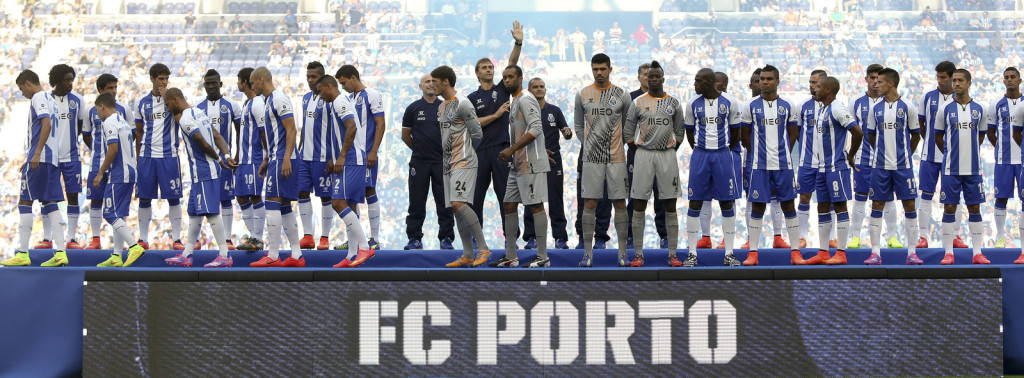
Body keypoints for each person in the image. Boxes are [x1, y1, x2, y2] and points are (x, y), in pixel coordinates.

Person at [162, 88, 238, 267]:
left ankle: (224, 254)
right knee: (194, 213)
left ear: (175, 99)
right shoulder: (198, 112)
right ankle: (187, 254)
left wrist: (220, 159)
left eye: (167, 104)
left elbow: (203, 143)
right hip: (199, 173)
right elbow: (216, 135)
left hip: (205, 171)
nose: (166, 108)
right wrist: (227, 155)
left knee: (211, 213)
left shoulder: (187, 119)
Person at [1, 70, 68, 267]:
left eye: (22, 89)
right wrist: (32, 154)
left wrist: (36, 153)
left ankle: (23, 253)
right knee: (50, 203)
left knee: (24, 201)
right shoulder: (51, 99)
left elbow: (45, 124)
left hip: (42, 156)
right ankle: (60, 253)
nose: (23, 93)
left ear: (28, 83)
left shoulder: (38, 97)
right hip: (52, 158)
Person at [739, 65, 802, 266]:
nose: (764, 82)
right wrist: (759, 153)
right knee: (758, 207)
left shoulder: (788, 105)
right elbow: (744, 135)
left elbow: (793, 133)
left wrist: (782, 152)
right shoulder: (750, 106)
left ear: (777, 81)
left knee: (789, 206)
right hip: (759, 165)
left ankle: (795, 253)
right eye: (762, 79)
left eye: (769, 79)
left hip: (783, 165)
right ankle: (753, 253)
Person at [623, 61, 684, 267]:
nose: (654, 79)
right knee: (639, 203)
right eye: (650, 77)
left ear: (663, 79)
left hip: (667, 155)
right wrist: (638, 151)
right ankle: (638, 254)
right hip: (643, 155)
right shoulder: (638, 102)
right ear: (646, 79)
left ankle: (672, 254)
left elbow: (680, 132)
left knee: (670, 204)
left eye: (657, 76)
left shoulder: (673, 103)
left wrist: (669, 150)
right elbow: (628, 132)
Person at [575, 53, 634, 267]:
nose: (599, 73)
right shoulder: (583, 94)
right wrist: (590, 144)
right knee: (589, 203)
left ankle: (622, 253)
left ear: (610, 69)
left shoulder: (622, 94)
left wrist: (621, 143)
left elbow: (629, 124)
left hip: (617, 157)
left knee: (619, 202)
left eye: (602, 69)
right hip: (591, 159)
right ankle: (588, 253)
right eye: (595, 69)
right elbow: (579, 126)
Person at [468, 21, 523, 249]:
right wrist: (495, 115)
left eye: (491, 67)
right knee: (475, 198)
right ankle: (475, 240)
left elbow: (512, 63)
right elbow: (472, 124)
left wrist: (518, 42)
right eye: (484, 68)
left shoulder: (502, 89)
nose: (489, 70)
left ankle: (512, 239)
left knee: (506, 197)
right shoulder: (471, 98)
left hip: (502, 149)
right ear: (477, 74)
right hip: (479, 151)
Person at [491, 65, 551, 268]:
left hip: (530, 163)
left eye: (511, 77)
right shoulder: (515, 101)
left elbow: (536, 127)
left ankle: (543, 256)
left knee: (535, 205)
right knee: (508, 204)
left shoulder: (525, 98)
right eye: (504, 77)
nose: (507, 80)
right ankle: (511, 255)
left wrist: (511, 149)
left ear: (520, 78)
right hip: (517, 164)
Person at [432, 65, 492, 268]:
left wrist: (466, 152)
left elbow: (477, 133)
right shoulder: (441, 107)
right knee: (455, 209)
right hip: (448, 163)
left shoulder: (463, 103)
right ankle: (467, 254)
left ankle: (483, 248)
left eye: (435, 81)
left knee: (459, 203)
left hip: (464, 161)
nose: (432, 86)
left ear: (445, 81)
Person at [682, 67, 741, 266]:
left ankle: (729, 253)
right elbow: (689, 133)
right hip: (700, 155)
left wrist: (722, 150)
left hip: (723, 156)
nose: (695, 84)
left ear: (710, 82)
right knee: (695, 202)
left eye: (698, 81)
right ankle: (692, 253)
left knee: (727, 202)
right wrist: (701, 150)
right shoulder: (692, 104)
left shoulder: (730, 102)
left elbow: (736, 132)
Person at [248, 67, 306, 268]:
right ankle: (297, 255)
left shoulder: (278, 98)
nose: (252, 86)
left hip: (283, 157)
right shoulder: (268, 101)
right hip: (276, 157)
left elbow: (291, 130)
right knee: (283, 206)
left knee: (272, 203)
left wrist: (286, 158)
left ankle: (273, 255)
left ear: (261, 80)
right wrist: (267, 158)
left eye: (253, 83)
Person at [864, 68, 923, 265]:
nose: (875, 84)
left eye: (879, 82)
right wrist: (882, 152)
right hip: (880, 166)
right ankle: (875, 253)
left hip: (902, 166)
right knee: (877, 205)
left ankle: (912, 252)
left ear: (890, 83)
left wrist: (905, 154)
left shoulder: (908, 107)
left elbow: (916, 135)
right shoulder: (875, 109)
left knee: (910, 205)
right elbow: (871, 135)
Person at [802, 76, 863, 265]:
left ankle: (841, 253)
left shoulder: (837, 108)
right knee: (822, 207)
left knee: (839, 207)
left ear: (828, 89)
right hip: (822, 168)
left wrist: (850, 155)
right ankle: (823, 251)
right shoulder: (822, 109)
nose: (814, 89)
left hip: (837, 168)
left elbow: (858, 132)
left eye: (818, 86)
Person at [317, 75, 373, 268]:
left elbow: (351, 127)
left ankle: (365, 246)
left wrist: (341, 157)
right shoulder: (338, 103)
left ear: (328, 87)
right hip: (347, 159)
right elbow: (344, 133)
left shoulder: (340, 101)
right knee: (350, 204)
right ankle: (351, 254)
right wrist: (335, 157)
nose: (319, 95)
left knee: (338, 203)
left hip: (351, 161)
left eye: (320, 90)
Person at [934, 68, 989, 265]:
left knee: (974, 208)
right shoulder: (945, 109)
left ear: (969, 83)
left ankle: (977, 253)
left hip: (973, 169)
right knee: (949, 207)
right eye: (954, 80)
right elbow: (938, 136)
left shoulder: (980, 109)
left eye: (960, 80)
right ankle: (948, 252)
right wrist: (951, 152)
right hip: (951, 168)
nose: (956, 83)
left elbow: (980, 136)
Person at [847, 64, 901, 250]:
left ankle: (892, 237)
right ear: (866, 79)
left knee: (888, 198)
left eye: (879, 79)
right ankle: (856, 237)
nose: (875, 82)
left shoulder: (892, 104)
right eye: (872, 78)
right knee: (860, 197)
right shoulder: (855, 102)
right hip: (863, 157)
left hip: (886, 159)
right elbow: (852, 131)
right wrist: (851, 154)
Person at [91, 93, 147, 267]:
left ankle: (133, 247)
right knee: (119, 215)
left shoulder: (109, 122)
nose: (98, 115)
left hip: (119, 173)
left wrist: (100, 173)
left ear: (102, 106)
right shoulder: (122, 121)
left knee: (110, 213)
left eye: (97, 110)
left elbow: (113, 149)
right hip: (130, 172)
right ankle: (116, 256)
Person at [134, 63, 185, 250]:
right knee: (144, 197)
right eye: (161, 79)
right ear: (152, 79)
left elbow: (183, 120)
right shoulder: (141, 102)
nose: (164, 82)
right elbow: (139, 132)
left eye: (166, 79)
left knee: (174, 197)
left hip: (168, 155)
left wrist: (168, 99)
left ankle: (177, 239)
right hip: (147, 156)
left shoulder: (174, 100)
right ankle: (143, 238)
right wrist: (138, 157)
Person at [402, 74, 456, 250]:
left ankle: (446, 238)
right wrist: (420, 150)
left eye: (434, 81)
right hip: (419, 163)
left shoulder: (447, 107)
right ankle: (414, 239)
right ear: (420, 86)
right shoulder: (413, 108)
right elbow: (405, 136)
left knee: (445, 203)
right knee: (416, 202)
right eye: (427, 82)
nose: (431, 84)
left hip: (442, 163)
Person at [336, 65, 386, 249]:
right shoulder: (349, 99)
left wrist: (373, 151)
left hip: (367, 154)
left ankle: (374, 238)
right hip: (353, 156)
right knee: (350, 197)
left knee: (369, 190)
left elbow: (380, 124)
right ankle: (354, 240)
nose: (343, 87)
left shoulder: (371, 95)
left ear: (353, 77)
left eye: (344, 83)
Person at [82, 74, 131, 250]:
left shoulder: (124, 109)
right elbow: (87, 136)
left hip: (117, 163)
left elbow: (130, 135)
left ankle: (121, 242)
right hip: (98, 162)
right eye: (110, 88)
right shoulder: (90, 110)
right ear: (101, 90)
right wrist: (98, 152)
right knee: (95, 200)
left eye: (115, 88)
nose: (114, 91)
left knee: (118, 204)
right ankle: (96, 239)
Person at [918, 61, 965, 248]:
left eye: (943, 77)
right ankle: (923, 237)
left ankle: (955, 236)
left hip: (953, 158)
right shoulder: (927, 97)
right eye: (937, 77)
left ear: (952, 78)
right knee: (926, 195)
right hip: (929, 156)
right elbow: (922, 125)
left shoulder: (961, 99)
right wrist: (932, 142)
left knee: (954, 197)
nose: (939, 81)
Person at [522, 77, 571, 249]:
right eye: (535, 87)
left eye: (542, 86)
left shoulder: (554, 111)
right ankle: (531, 237)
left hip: (553, 161)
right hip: (532, 160)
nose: (539, 89)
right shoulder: (524, 111)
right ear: (529, 91)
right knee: (532, 199)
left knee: (555, 199)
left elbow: (566, 132)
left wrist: (567, 132)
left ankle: (560, 237)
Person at [197, 69, 242, 250]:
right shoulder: (197, 108)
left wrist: (237, 155)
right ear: (204, 85)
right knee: (203, 199)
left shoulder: (232, 105)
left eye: (214, 83)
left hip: (225, 160)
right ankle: (198, 238)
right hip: (205, 161)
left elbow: (240, 132)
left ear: (220, 84)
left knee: (226, 198)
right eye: (207, 83)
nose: (211, 86)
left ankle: (227, 239)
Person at [43, 65, 85, 250]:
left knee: (73, 196)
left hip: (71, 156)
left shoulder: (78, 100)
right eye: (67, 80)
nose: (70, 83)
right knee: (48, 197)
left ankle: (72, 238)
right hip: (50, 157)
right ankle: (46, 238)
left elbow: (81, 127)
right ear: (57, 80)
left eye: (71, 80)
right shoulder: (45, 99)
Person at [627, 62, 667, 248]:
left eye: (652, 75)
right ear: (640, 77)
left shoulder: (667, 100)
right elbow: (625, 129)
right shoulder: (631, 99)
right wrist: (637, 150)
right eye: (645, 74)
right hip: (637, 154)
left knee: (662, 197)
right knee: (635, 197)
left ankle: (665, 236)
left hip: (661, 156)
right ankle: (631, 238)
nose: (649, 78)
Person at [296, 61, 334, 250]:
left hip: (323, 157)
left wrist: (334, 156)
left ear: (322, 77)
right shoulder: (304, 98)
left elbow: (337, 129)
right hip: (305, 157)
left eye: (314, 77)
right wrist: (299, 147)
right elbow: (304, 126)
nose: (310, 80)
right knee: (301, 192)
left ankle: (325, 237)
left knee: (325, 197)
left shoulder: (329, 100)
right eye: (308, 77)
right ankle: (308, 235)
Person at [793, 70, 833, 250]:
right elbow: (797, 133)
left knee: (830, 200)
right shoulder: (802, 106)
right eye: (810, 82)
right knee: (804, 197)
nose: (811, 85)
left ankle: (831, 238)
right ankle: (801, 237)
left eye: (815, 83)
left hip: (828, 162)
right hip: (807, 162)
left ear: (824, 85)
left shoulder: (835, 106)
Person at [987, 67, 1023, 248]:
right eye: (1006, 77)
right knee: (1001, 199)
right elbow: (990, 133)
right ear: (1003, 81)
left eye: (1013, 77)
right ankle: (1000, 237)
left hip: (1022, 161)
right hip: (1004, 160)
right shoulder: (995, 105)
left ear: (1019, 81)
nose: (1009, 80)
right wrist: (1001, 147)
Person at [234, 67, 269, 252]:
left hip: (255, 159)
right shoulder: (246, 103)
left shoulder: (257, 103)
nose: (237, 84)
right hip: (244, 161)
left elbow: (264, 132)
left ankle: (258, 238)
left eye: (238, 80)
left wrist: (266, 156)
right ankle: (252, 236)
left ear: (245, 82)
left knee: (255, 196)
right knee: (240, 196)